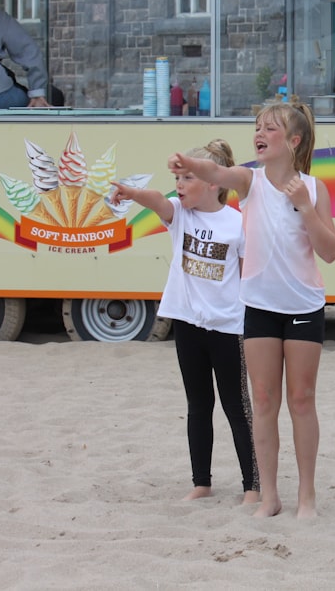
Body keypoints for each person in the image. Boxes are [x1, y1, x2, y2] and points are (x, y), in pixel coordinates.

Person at [167, 102, 335, 519]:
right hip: (259, 306)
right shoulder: (251, 181)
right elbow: (218, 174)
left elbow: (330, 251)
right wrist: (189, 162)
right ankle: (269, 497)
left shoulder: (313, 189)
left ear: (294, 141)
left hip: (303, 306)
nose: (259, 133)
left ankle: (307, 497)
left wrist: (305, 206)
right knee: (262, 401)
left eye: (270, 128)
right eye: (257, 127)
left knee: (301, 400)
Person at [109, 139, 258, 504]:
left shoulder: (237, 224)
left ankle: (252, 486)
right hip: (188, 324)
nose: (179, 185)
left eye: (187, 177)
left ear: (212, 182)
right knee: (198, 405)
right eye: (177, 178)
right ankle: (201, 482)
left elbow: (246, 276)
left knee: (237, 408)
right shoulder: (180, 213)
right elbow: (157, 201)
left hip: (228, 327)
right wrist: (129, 192)